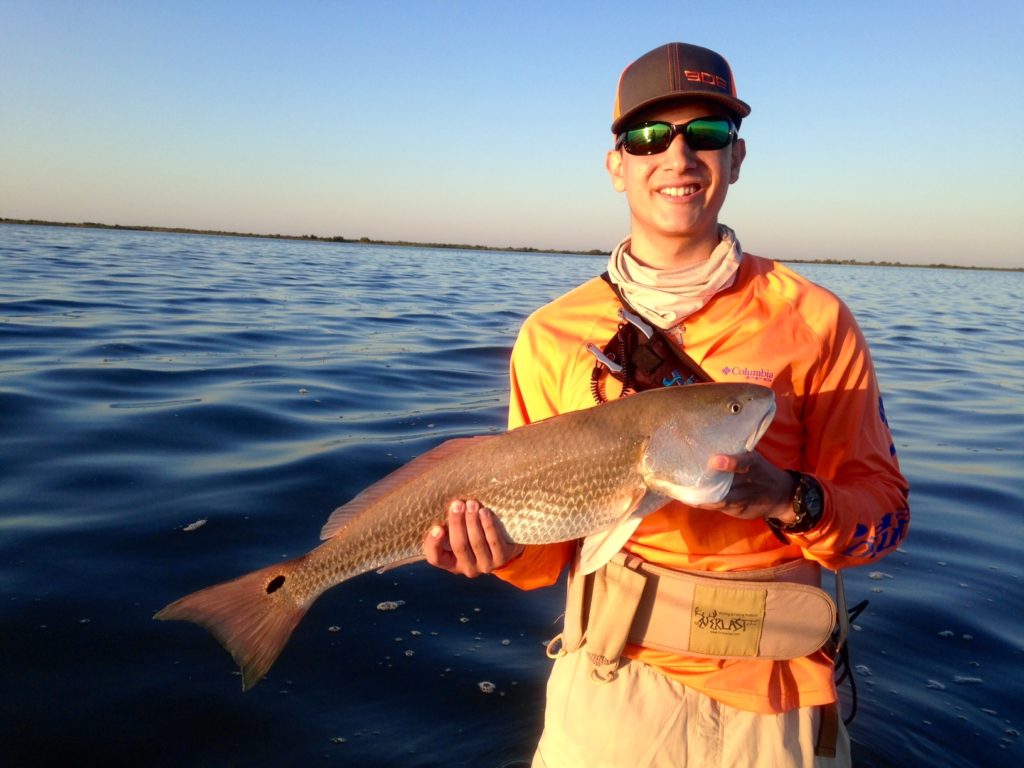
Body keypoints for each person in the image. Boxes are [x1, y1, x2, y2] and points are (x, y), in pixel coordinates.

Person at [423, 42, 910, 767]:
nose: (677, 157)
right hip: (609, 689)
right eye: (648, 137)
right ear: (616, 162)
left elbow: (884, 519)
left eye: (705, 134)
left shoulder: (815, 321)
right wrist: (487, 551)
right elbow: (541, 561)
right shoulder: (552, 335)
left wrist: (790, 498)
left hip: (775, 705)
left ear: (737, 159)